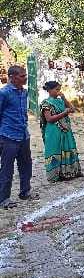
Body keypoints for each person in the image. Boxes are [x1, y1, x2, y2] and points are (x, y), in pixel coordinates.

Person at [0, 66, 36, 209]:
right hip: (8, 136)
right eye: (22, 76)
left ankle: (25, 192)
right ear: (12, 77)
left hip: (23, 135)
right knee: (7, 168)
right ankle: (4, 199)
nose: (25, 78)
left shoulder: (24, 92)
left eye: (25, 75)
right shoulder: (4, 93)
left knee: (26, 165)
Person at [40, 81, 83, 182]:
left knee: (67, 148)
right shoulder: (46, 103)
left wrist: (64, 98)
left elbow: (72, 109)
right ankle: (55, 174)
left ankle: (70, 172)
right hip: (54, 130)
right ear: (49, 90)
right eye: (56, 90)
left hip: (65, 129)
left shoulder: (60, 101)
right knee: (55, 150)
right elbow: (49, 119)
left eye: (59, 89)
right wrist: (64, 113)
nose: (59, 92)